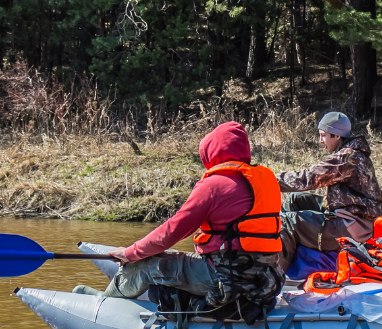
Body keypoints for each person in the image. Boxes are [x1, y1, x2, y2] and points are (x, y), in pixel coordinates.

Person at [85, 121, 284, 315]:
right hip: (266, 278)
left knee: (145, 264)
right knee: (166, 256)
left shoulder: (213, 186)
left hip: (226, 280)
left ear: (211, 152)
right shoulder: (267, 181)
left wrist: (130, 253)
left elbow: (171, 232)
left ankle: (105, 305)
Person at [276, 111, 382, 267]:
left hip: (355, 227)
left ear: (336, 135)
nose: (320, 140)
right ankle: (295, 257)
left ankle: (278, 275)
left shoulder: (347, 158)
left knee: (288, 222)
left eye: (323, 135)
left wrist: (268, 179)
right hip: (351, 214)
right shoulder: (351, 153)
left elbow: (308, 178)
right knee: (295, 199)